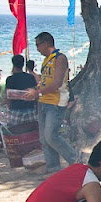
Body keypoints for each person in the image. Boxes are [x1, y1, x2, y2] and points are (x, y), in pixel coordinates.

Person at [26, 32, 77, 173]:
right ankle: (53, 167)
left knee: (51, 135)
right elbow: (45, 80)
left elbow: (57, 83)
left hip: (56, 103)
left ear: (46, 43)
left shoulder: (60, 58)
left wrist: (38, 92)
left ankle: (75, 159)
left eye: (38, 45)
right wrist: (36, 91)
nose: (37, 49)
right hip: (43, 102)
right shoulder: (46, 60)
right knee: (44, 138)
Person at [5, 55, 38, 128]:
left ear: (13, 64)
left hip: (15, 110)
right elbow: (35, 95)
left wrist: (9, 109)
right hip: (30, 110)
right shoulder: (30, 77)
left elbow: (8, 97)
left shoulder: (10, 79)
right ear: (23, 64)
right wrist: (37, 109)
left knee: (14, 132)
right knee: (31, 132)